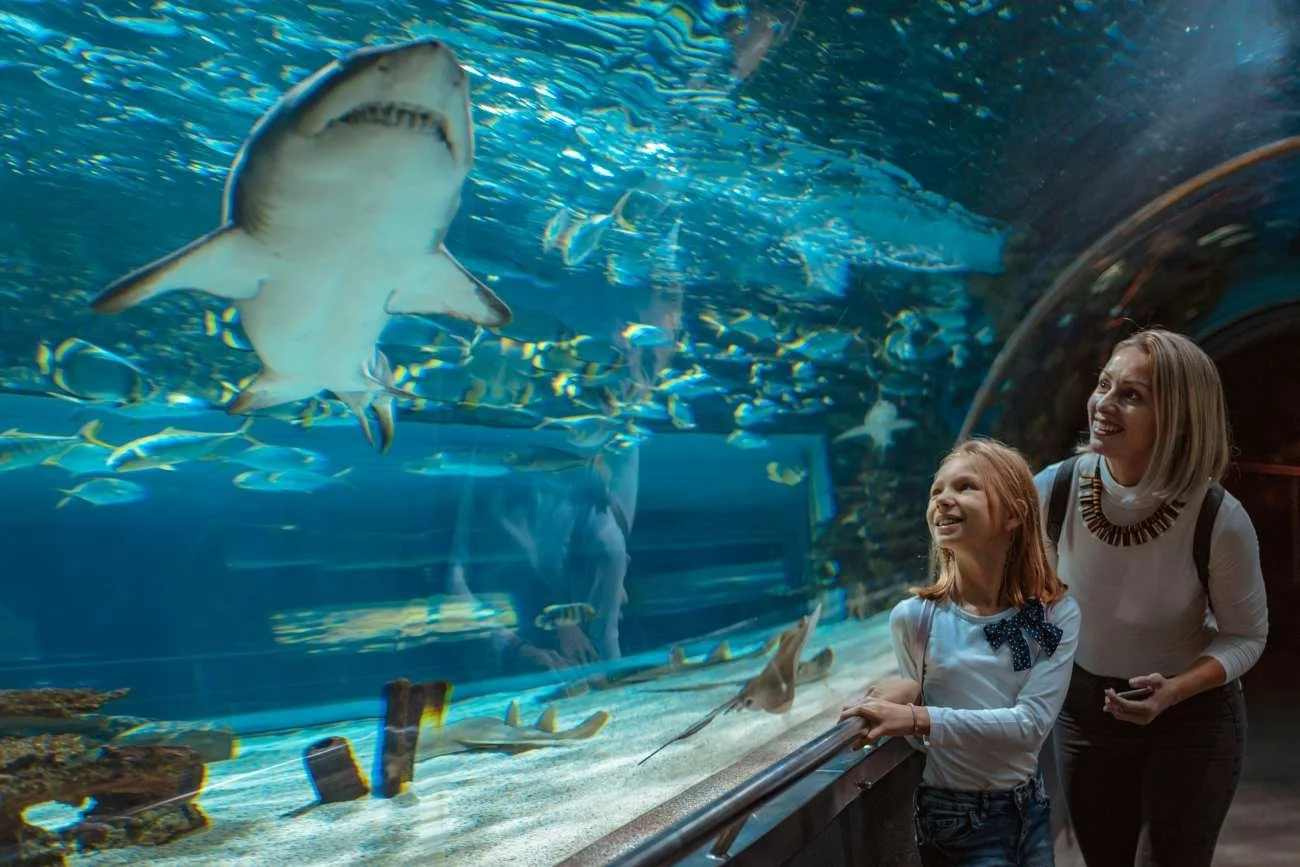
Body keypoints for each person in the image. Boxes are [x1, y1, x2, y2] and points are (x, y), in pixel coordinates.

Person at [1035, 327, 1269, 867]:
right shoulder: (1055, 488)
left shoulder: (1219, 519)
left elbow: (1247, 635)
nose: (1103, 404)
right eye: (1104, 384)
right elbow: (1005, 599)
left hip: (1191, 719)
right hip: (1086, 715)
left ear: (1179, 418)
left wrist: (1175, 690)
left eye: (1132, 395)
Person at [841, 438, 1080, 867]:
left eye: (966, 486)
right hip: (954, 818)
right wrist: (906, 693)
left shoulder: (1057, 613)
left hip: (1031, 804)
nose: (943, 500)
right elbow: (924, 745)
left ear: (1013, 513)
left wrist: (916, 716)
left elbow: (1030, 727)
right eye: (936, 491)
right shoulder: (913, 619)